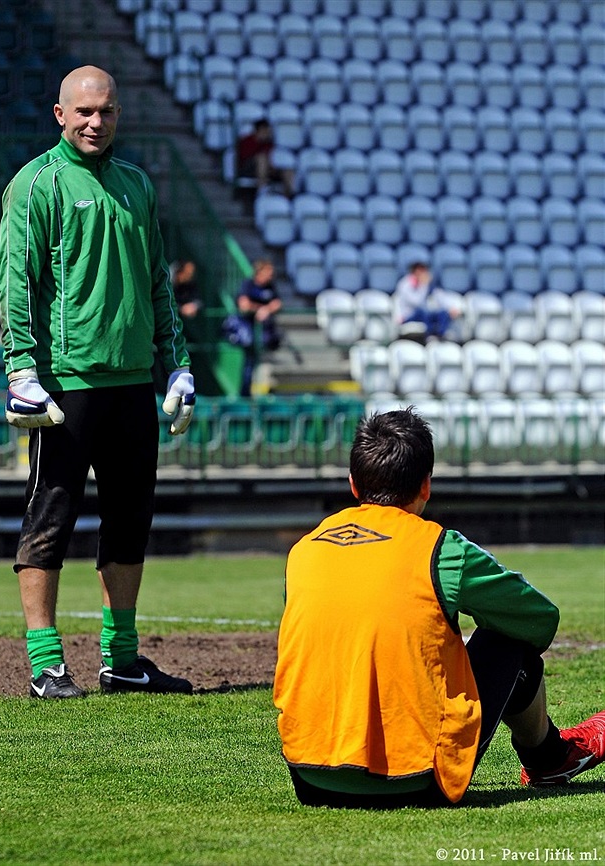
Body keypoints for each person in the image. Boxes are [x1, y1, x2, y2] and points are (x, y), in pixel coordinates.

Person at [274, 408, 604, 808]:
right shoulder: (442, 548)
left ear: (353, 485)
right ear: (426, 486)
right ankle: (550, 758)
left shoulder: (303, 550)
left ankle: (550, 755)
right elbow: (539, 620)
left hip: (309, 776)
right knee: (508, 643)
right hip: (418, 779)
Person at [0, 66, 196, 700]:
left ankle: (123, 660)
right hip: (65, 386)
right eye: (83, 112)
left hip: (135, 382)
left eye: (105, 111)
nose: (94, 122)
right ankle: (46, 665)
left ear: (118, 115)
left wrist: (179, 363)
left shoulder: (137, 184)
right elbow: (15, 282)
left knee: (130, 523)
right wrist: (21, 369)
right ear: (60, 115)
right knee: (50, 517)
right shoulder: (35, 185)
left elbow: (159, 282)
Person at [236, 258, 283, 397]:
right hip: (250, 332)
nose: (271, 275)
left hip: (266, 334)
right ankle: (245, 396)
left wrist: (266, 310)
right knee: (249, 365)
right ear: (259, 272)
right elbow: (243, 305)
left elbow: (277, 303)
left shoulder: (271, 286)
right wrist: (260, 309)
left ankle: (264, 394)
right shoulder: (248, 285)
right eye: (268, 272)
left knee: (265, 364)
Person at [393, 261, 463, 342]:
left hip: (425, 315)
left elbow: (440, 296)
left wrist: (452, 308)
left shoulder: (428, 284)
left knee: (443, 312)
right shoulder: (405, 284)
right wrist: (424, 285)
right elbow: (417, 302)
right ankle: (429, 336)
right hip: (408, 316)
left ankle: (440, 335)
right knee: (423, 311)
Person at [236, 118, 296, 198]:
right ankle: (262, 190)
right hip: (248, 168)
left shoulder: (269, 144)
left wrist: (271, 167)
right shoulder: (246, 141)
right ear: (258, 130)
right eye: (265, 131)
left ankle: (289, 197)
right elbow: (243, 158)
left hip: (267, 167)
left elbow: (271, 159)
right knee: (261, 158)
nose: (267, 133)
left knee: (288, 171)